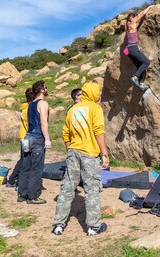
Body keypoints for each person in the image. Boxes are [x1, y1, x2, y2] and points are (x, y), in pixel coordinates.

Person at [52, 81, 109, 236]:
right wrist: (104, 153)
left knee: (67, 188)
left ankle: (58, 224)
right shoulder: (95, 108)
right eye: (98, 91)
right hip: (89, 154)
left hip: (73, 152)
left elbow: (65, 133)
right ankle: (93, 227)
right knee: (92, 189)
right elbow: (98, 131)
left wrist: (70, 148)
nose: (99, 94)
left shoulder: (73, 109)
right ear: (92, 93)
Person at [18, 80, 51, 204]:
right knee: (36, 168)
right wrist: (47, 138)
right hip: (37, 138)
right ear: (42, 90)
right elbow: (43, 122)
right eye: (46, 87)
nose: (47, 90)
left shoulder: (30, 104)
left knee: (25, 167)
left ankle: (22, 194)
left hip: (27, 137)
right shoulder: (43, 104)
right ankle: (32, 196)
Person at [6, 88, 35, 188]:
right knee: (26, 161)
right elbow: (29, 124)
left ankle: (12, 180)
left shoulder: (25, 107)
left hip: (24, 136)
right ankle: (18, 182)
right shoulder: (29, 108)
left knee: (23, 159)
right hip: (27, 137)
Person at [124, 6, 153, 90]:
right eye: (133, 17)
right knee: (146, 63)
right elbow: (143, 13)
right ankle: (135, 77)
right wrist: (150, 6)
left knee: (140, 65)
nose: (134, 19)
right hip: (133, 48)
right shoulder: (133, 23)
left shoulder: (127, 26)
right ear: (132, 18)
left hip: (128, 50)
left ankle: (141, 83)